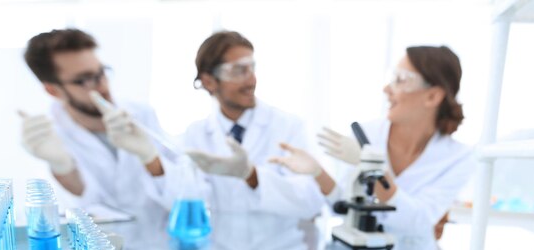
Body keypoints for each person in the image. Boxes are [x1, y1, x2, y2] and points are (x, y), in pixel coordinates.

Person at [272, 45, 474, 243]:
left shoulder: (459, 158)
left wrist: (372, 167)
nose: (386, 89)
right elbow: (343, 204)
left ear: (432, 96)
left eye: (400, 80)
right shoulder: (365, 134)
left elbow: (419, 221)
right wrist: (318, 173)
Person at [20, 28, 175, 214]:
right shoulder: (46, 138)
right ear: (53, 90)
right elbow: (80, 206)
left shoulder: (141, 114)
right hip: (101, 241)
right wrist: (62, 168)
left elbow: (183, 195)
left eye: (102, 72)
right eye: (85, 80)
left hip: (161, 241)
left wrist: (151, 158)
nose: (102, 84)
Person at [184, 31, 325, 219]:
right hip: (218, 247)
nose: (251, 80)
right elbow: (183, 199)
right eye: (238, 71)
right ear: (209, 81)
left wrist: (253, 176)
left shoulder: (289, 127)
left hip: (279, 247)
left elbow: (311, 202)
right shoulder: (195, 134)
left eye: (252, 68)